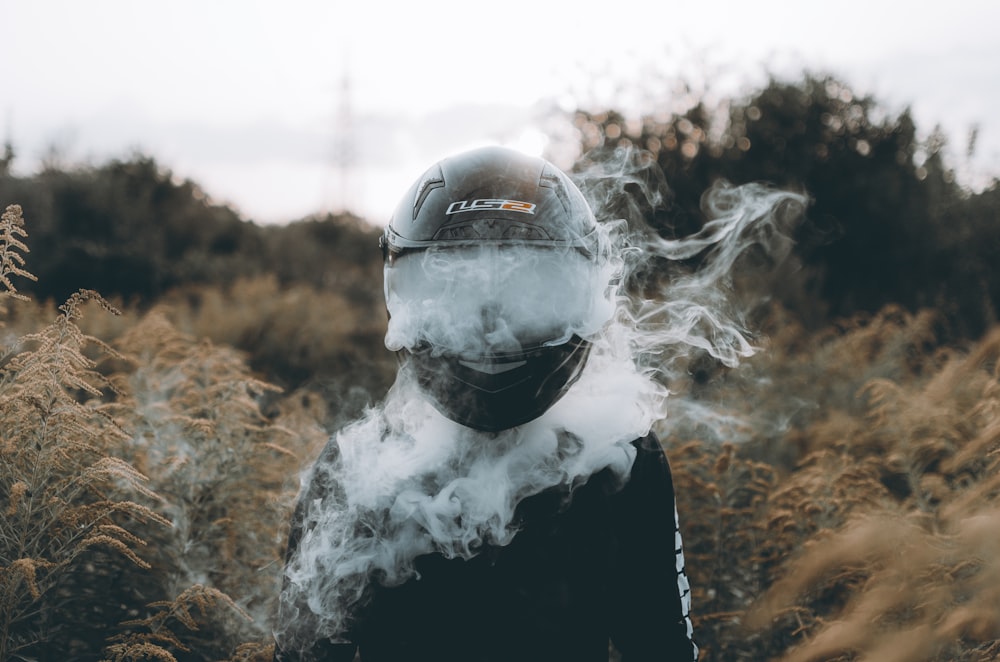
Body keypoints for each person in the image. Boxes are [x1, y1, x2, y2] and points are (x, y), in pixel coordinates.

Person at [273, 146, 698, 661]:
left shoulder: (621, 460)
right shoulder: (357, 472)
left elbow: (661, 648)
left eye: (529, 294)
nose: (492, 331)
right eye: (456, 294)